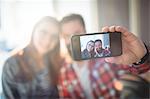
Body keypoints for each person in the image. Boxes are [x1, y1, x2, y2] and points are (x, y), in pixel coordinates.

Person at [58, 14, 150, 99]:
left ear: (85, 31)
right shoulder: (62, 71)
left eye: (76, 33)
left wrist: (141, 57)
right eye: (67, 36)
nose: (71, 40)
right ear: (63, 38)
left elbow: (139, 69)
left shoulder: (106, 58)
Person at [2, 16, 61, 99]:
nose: (48, 40)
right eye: (43, 32)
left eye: (54, 36)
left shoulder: (55, 62)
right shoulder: (12, 64)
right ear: (33, 31)